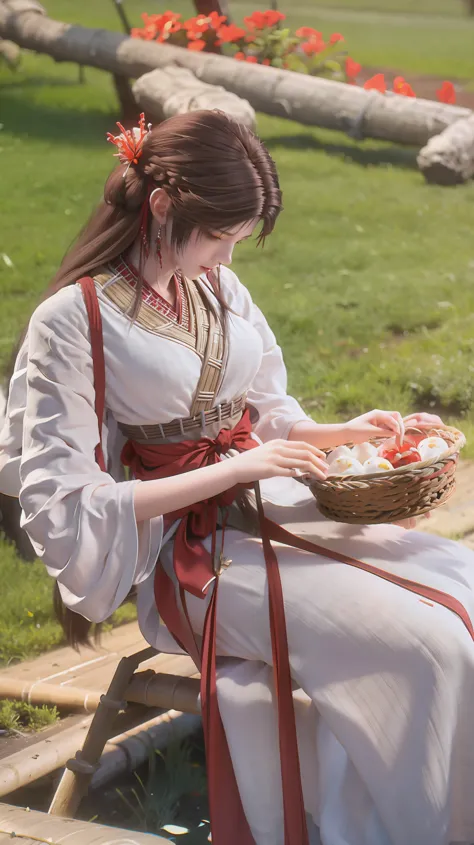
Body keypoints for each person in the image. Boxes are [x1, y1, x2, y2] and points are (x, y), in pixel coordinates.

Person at [1, 109, 473, 845]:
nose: (227, 256)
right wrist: (242, 464)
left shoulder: (215, 286)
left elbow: (270, 413)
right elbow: (66, 502)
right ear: (162, 205)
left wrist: (348, 430)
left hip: (267, 507)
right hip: (187, 561)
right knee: (425, 642)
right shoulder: (73, 319)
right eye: (219, 235)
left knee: (458, 581)